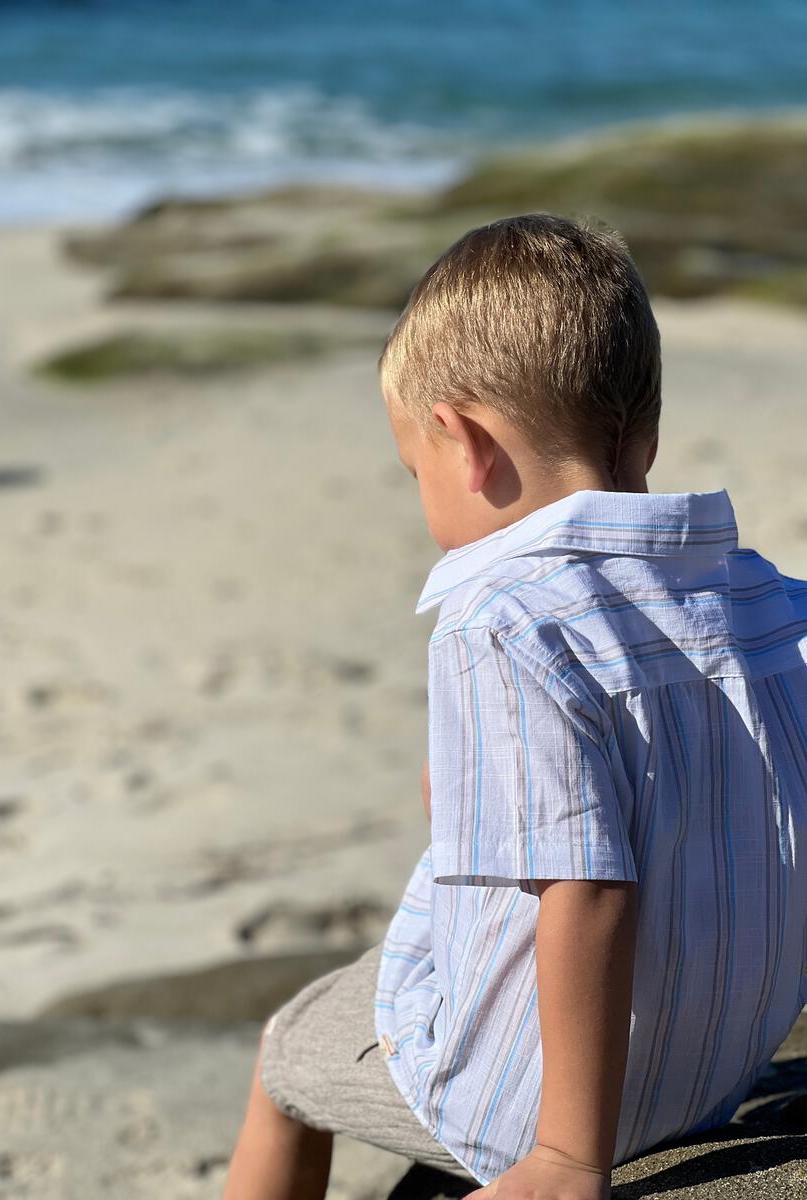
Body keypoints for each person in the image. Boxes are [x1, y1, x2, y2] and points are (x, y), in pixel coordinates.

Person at [223, 214, 807, 1200]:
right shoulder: (767, 599)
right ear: (647, 430)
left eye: (416, 472)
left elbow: (589, 888)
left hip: (534, 1103)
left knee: (286, 1059)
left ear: (464, 441)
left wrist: (566, 1158)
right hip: (714, 1069)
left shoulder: (501, 622)